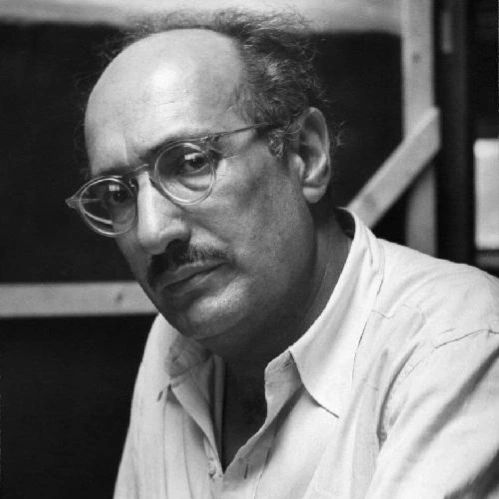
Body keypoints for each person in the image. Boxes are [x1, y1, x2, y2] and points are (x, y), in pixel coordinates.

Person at [66, 10, 499, 499]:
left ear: (306, 155)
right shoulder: (171, 346)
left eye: (190, 163)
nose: (151, 232)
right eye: (118, 194)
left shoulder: (455, 339)